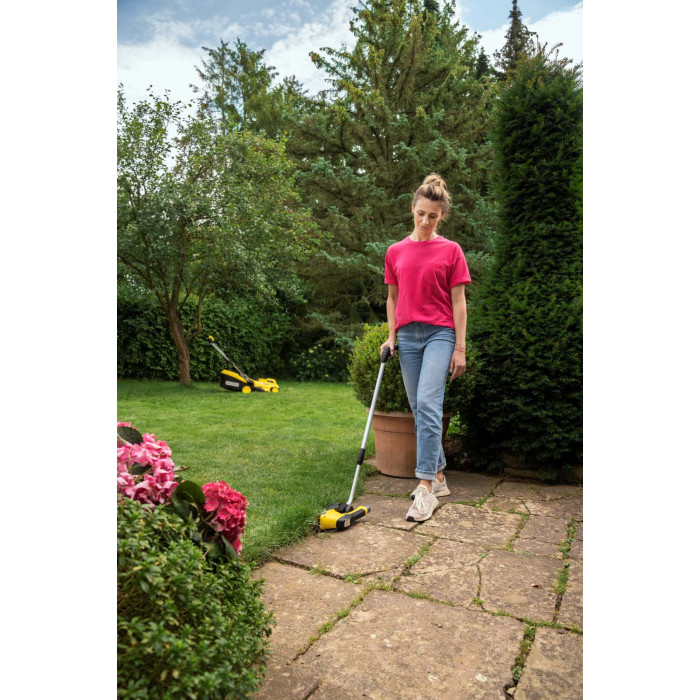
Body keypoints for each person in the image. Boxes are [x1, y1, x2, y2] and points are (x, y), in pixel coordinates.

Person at [380, 174, 471, 522]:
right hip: (408, 337)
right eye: (420, 213)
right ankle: (440, 476)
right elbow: (392, 298)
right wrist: (392, 336)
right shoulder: (395, 252)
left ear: (441, 216)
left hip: (439, 334)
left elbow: (459, 302)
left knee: (429, 404)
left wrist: (459, 348)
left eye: (433, 216)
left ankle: (425, 488)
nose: (425, 221)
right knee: (420, 409)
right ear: (412, 209)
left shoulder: (451, 251)